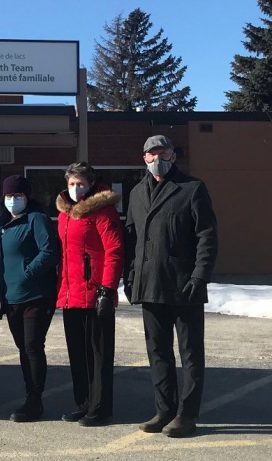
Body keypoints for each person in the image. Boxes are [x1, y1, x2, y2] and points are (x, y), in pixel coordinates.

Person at [125, 135, 218, 438]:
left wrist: (199, 276)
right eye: (151, 153)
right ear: (145, 159)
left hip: (184, 285)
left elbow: (207, 236)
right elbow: (132, 239)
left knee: (190, 354)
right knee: (158, 352)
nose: (157, 158)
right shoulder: (137, 192)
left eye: (163, 152)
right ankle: (164, 410)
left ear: (173, 156)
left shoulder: (192, 188)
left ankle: (186, 415)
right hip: (149, 285)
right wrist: (130, 276)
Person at [55, 162, 123, 427]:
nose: (75, 188)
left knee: (98, 354)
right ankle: (82, 403)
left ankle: (100, 407)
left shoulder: (102, 212)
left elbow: (114, 251)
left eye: (80, 183)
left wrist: (107, 289)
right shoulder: (65, 215)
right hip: (71, 295)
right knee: (77, 354)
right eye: (71, 184)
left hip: (96, 294)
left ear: (91, 184)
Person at [0, 175, 60, 423]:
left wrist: (28, 272)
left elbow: (50, 251)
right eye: (8, 196)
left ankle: (35, 400)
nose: (12, 200)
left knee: (32, 347)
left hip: (36, 295)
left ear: (27, 197)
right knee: (23, 348)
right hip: (11, 298)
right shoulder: (0, 225)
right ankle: (30, 393)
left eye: (17, 196)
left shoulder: (36, 219)